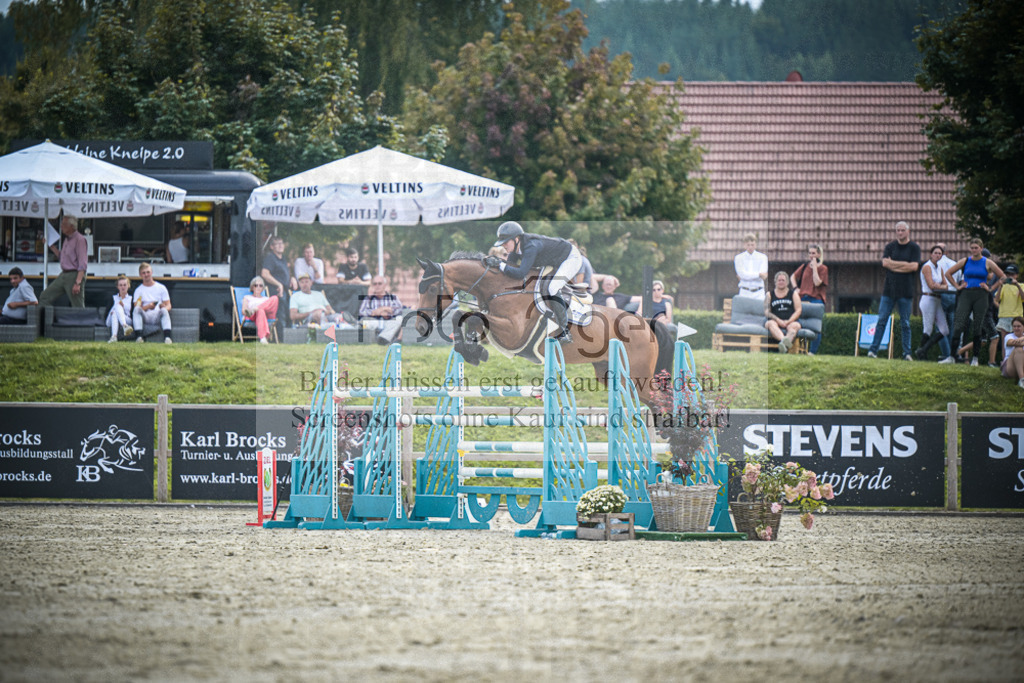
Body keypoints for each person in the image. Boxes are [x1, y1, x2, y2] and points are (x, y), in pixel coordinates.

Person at [484, 221, 582, 343]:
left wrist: (500, 264)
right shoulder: (516, 249)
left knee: (552, 288)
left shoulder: (531, 247)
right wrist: (496, 265)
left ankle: (565, 331)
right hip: (556, 259)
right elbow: (509, 269)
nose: (503, 245)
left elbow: (520, 273)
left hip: (570, 258)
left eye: (506, 242)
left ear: (516, 239)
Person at [944, 238, 1005, 367]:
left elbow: (1003, 277)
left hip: (981, 295)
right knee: (958, 325)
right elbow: (948, 273)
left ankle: (975, 359)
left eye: (976, 248)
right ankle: (951, 356)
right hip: (966, 294)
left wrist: (991, 288)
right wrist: (957, 286)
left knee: (978, 326)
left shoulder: (987, 262)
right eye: (972, 248)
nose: (974, 250)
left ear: (981, 248)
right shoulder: (965, 261)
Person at [867, 221, 920, 361]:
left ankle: (907, 353)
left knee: (905, 323)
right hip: (889, 291)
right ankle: (873, 350)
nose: (900, 233)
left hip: (906, 291)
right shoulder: (890, 247)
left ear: (908, 231)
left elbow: (914, 267)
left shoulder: (914, 248)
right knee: (881, 320)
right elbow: (885, 263)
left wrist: (893, 265)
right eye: (898, 230)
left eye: (902, 230)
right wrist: (904, 265)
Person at [39, 215, 88, 308]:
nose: (61, 226)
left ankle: (80, 318)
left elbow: (82, 263)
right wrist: (50, 245)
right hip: (63, 274)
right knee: (44, 296)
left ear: (71, 226)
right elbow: (62, 256)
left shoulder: (80, 239)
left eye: (64, 224)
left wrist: (77, 283)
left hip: (74, 275)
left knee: (77, 305)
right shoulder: (66, 239)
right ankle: (46, 316)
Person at [915, 245, 953, 363]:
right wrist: (940, 286)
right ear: (931, 254)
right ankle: (922, 354)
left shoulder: (940, 268)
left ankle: (922, 350)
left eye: (940, 253)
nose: (937, 255)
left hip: (937, 299)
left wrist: (940, 286)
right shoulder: (927, 267)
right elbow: (931, 285)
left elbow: (946, 285)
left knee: (944, 330)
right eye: (935, 253)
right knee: (928, 329)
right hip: (928, 298)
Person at [790, 244, 828, 355]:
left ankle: (812, 351)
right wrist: (796, 288)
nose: (811, 255)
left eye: (814, 253)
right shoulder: (804, 266)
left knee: (815, 326)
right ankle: (799, 349)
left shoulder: (823, 269)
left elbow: (817, 283)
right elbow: (793, 277)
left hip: (816, 300)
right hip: (803, 298)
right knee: (799, 323)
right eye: (810, 253)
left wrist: (815, 268)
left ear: (819, 254)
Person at [260, 235, 296, 334]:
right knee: (281, 315)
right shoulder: (270, 258)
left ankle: (289, 337)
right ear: (272, 247)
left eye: (282, 243)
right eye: (277, 244)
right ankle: (281, 337)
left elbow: (285, 273)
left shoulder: (283, 258)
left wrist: (292, 278)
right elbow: (264, 274)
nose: (281, 245)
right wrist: (278, 284)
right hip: (276, 291)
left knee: (288, 314)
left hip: (286, 290)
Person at [132, 262, 173, 343]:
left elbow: (169, 305)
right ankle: (139, 337)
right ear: (140, 275)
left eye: (148, 272)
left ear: (152, 272)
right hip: (145, 316)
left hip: (158, 315)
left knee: (164, 311)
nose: (146, 275)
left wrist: (164, 307)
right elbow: (137, 308)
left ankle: (167, 338)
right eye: (144, 273)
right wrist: (148, 306)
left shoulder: (161, 287)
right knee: (136, 309)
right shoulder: (138, 290)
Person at [358, 275, 405, 345]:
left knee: (399, 319)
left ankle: (383, 339)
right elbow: (362, 312)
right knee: (364, 322)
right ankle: (383, 338)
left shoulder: (393, 297)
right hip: (374, 323)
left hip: (389, 323)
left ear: (385, 285)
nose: (377, 286)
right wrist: (375, 312)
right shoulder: (368, 299)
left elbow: (400, 310)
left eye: (380, 283)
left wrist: (387, 311)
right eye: (375, 284)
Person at [764, 271, 802, 353]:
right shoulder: (769, 294)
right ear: (775, 282)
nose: (781, 282)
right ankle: (784, 341)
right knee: (770, 323)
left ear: (787, 282)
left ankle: (783, 346)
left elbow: (798, 310)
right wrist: (778, 320)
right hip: (775, 321)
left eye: (783, 280)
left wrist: (789, 321)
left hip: (790, 321)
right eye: (779, 280)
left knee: (795, 326)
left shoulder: (793, 294)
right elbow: (767, 312)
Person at [994, 264, 1023, 359]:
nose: (1010, 277)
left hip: (1017, 316)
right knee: (1005, 341)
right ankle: (1005, 361)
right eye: (1008, 274)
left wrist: (1017, 285)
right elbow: (997, 299)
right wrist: (1000, 286)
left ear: (1016, 275)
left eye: (1012, 274)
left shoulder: (1021, 285)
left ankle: (1018, 360)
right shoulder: (1004, 287)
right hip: (1004, 316)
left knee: (1019, 340)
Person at [241, 276, 280, 344]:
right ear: (252, 287)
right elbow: (244, 311)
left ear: (263, 288)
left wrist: (256, 308)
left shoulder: (266, 299)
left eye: (261, 285)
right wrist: (252, 311)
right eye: (256, 285)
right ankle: (263, 337)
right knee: (260, 311)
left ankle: (255, 309)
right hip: (253, 316)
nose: (258, 287)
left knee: (275, 298)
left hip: (268, 315)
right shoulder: (247, 297)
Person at [734, 233, 768, 300]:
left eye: (752, 245)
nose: (750, 247)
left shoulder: (763, 257)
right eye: (748, 245)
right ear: (744, 245)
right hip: (744, 292)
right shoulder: (738, 258)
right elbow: (742, 275)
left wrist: (746, 276)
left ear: (756, 245)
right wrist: (758, 275)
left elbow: (763, 276)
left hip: (759, 293)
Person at [104, 275, 134, 342]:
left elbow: (132, 314)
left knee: (116, 312)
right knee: (117, 307)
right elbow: (107, 313)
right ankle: (125, 326)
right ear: (117, 287)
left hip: (127, 319)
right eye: (120, 285)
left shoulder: (131, 298)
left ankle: (114, 336)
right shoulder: (113, 297)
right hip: (110, 319)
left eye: (124, 285)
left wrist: (123, 308)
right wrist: (115, 309)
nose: (123, 287)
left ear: (128, 286)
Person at [1000, 317, 1024, 389]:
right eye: (1014, 326)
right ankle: (1022, 380)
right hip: (1009, 367)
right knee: (1018, 349)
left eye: (1018, 326)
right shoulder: (1009, 336)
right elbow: (1012, 343)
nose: (1016, 328)